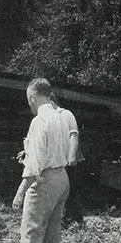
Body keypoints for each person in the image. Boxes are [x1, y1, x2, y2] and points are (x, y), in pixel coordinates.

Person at [10, 78, 70, 243]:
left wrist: (20, 192)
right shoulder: (62, 117)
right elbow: (57, 150)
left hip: (43, 182)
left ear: (33, 97)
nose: (29, 104)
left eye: (29, 100)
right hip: (62, 179)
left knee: (30, 241)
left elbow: (34, 165)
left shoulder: (38, 121)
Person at [50, 93, 85, 226]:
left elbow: (74, 135)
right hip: (57, 159)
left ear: (53, 101)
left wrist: (71, 155)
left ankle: (76, 218)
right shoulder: (50, 118)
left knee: (69, 188)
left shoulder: (66, 114)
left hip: (68, 158)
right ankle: (64, 217)